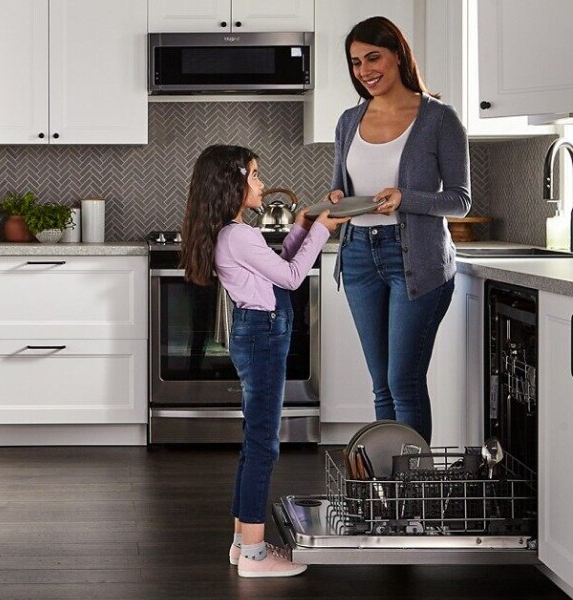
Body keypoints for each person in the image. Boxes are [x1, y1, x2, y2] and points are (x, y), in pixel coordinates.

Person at [180, 144, 347, 578]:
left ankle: (242, 543)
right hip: (262, 335)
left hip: (258, 332)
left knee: (255, 442)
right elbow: (292, 277)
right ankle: (255, 557)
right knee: (262, 446)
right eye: (254, 175)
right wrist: (323, 231)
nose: (260, 182)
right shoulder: (239, 235)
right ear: (232, 183)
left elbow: (278, 264)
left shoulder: (235, 233)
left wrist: (303, 226)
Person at [327, 16, 471, 444]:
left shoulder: (439, 118)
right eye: (355, 62)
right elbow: (340, 187)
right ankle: (388, 496)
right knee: (382, 386)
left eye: (373, 57)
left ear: (397, 56)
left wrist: (405, 198)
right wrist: (336, 200)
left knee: (403, 382)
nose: (365, 70)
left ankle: (414, 497)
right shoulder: (348, 121)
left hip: (417, 261)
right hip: (357, 257)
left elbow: (460, 201)